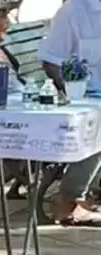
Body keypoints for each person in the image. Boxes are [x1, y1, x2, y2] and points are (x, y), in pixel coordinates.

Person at [39, 0, 101, 226]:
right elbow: (51, 59)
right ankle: (71, 199)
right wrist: (72, 92)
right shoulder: (75, 10)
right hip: (86, 96)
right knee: (96, 119)